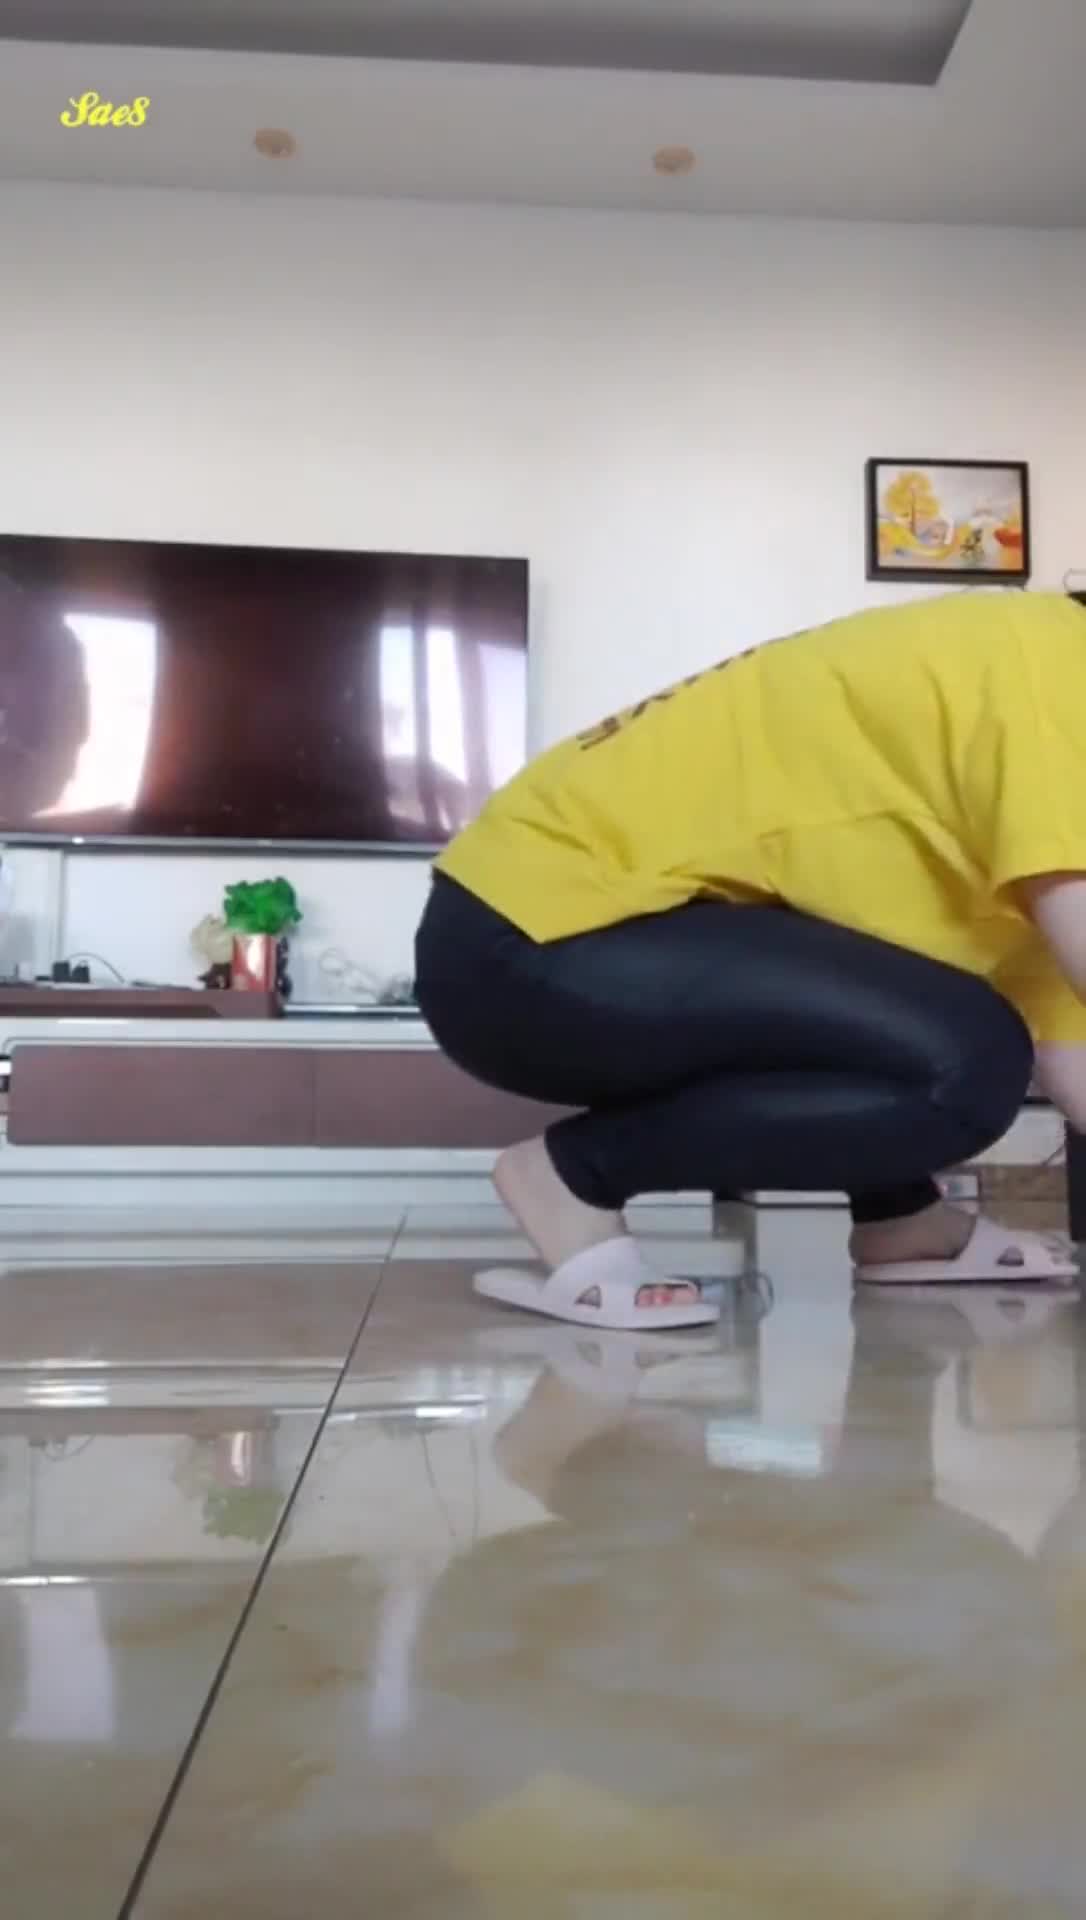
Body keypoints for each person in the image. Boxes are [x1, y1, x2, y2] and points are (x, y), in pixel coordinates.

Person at [415, 591, 1086, 1330]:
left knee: (938, 1027)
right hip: (529, 938)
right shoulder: (1057, 666)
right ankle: (573, 1175)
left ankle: (901, 1219)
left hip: (578, 947)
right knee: (971, 1057)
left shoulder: (1041, 800)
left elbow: (1070, 1046)